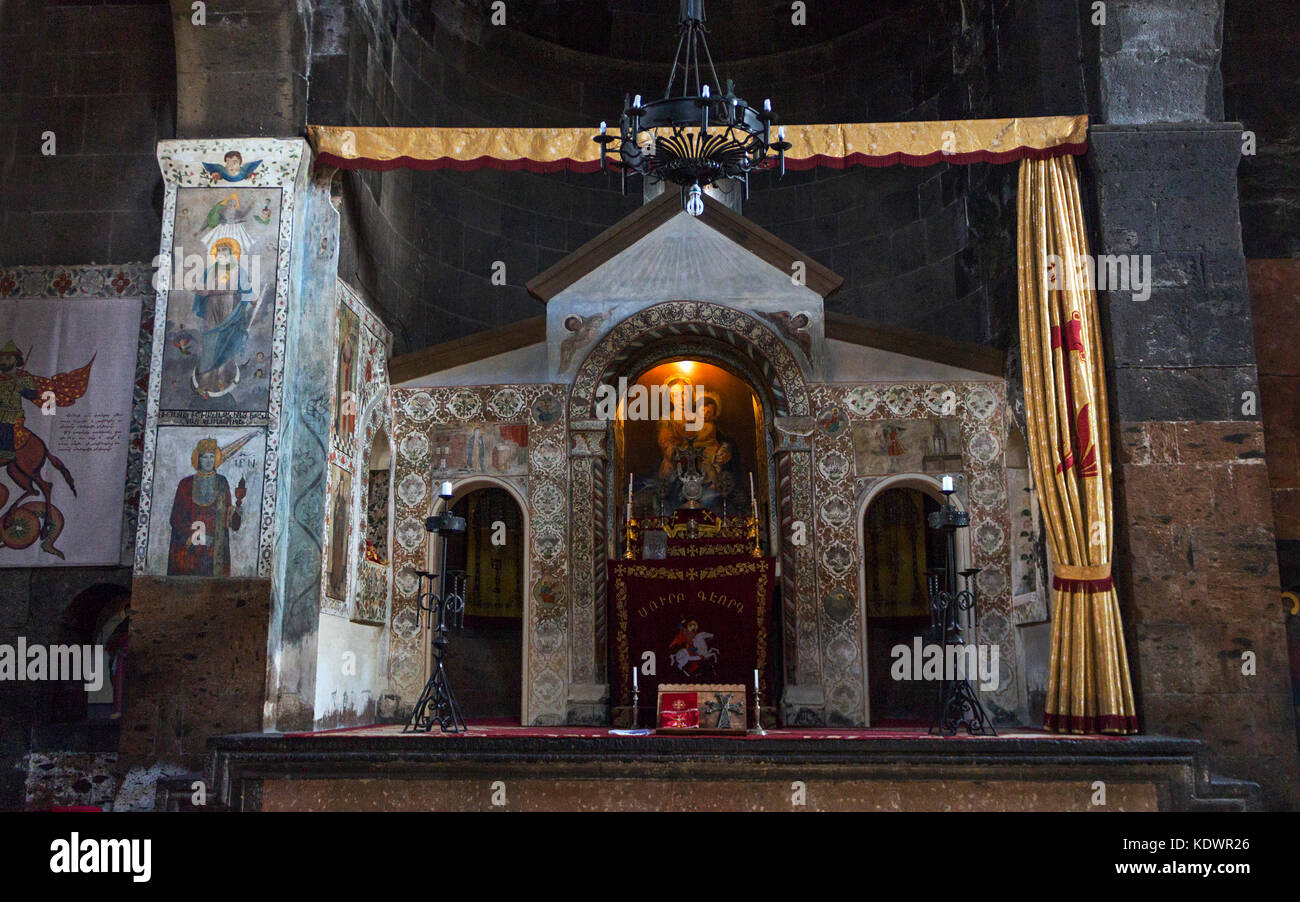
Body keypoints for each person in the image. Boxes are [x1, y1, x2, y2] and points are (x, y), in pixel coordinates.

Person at [167, 437, 244, 576]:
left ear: (216, 459)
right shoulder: (186, 484)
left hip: (215, 550)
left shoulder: (222, 482)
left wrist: (238, 506)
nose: (208, 461)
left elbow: (231, 522)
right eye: (204, 457)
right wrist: (198, 537)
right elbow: (176, 519)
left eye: (211, 456)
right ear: (198, 459)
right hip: (190, 550)